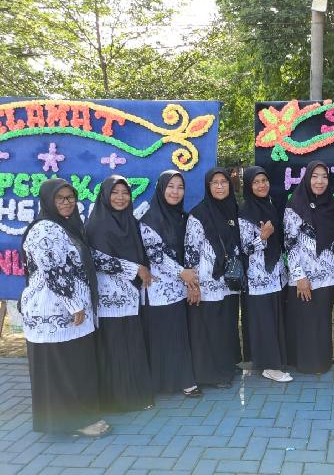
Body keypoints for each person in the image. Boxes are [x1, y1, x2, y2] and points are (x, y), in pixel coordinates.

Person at [20, 178, 110, 436]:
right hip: (54, 311)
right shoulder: (44, 229)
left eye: (70, 197)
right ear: (48, 201)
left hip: (71, 311)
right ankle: (73, 423)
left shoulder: (67, 227)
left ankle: (76, 419)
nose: (67, 202)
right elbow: (53, 271)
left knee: (73, 366)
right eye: (60, 198)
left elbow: (86, 260)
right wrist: (74, 305)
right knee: (64, 368)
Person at [86, 175, 154, 412]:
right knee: (113, 348)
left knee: (130, 346)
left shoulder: (130, 222)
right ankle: (114, 401)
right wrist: (134, 268)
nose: (120, 197)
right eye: (115, 192)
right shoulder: (96, 224)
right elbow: (95, 259)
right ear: (105, 196)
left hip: (130, 297)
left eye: (125, 193)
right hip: (108, 299)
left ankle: (134, 397)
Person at [139, 170, 201, 397]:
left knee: (178, 336)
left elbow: (190, 251)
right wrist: (181, 273)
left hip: (180, 288)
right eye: (170, 186)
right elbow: (156, 255)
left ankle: (183, 380)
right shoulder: (148, 218)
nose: (175, 192)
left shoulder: (183, 218)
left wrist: (190, 282)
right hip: (157, 290)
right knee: (162, 338)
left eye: (180, 187)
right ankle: (161, 384)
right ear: (161, 189)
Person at [185, 168, 241, 389]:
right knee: (210, 329)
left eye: (224, 182)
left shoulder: (233, 210)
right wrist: (193, 285)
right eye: (214, 182)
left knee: (226, 326)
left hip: (229, 281)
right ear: (208, 187)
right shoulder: (198, 214)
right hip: (207, 282)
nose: (220, 186)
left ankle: (226, 367)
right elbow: (190, 252)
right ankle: (211, 375)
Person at [283, 161, 334, 374]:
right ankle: (304, 363)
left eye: (324, 176)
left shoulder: (331, 204)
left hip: (327, 277)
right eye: (315, 176)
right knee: (305, 321)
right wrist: (299, 276)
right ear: (307, 178)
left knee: (322, 320)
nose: (319, 181)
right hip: (304, 277)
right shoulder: (295, 206)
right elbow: (290, 243)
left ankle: (321, 362)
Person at [239, 166, 291, 382]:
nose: (261, 185)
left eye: (264, 180)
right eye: (256, 182)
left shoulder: (270, 206)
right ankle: (269, 366)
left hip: (276, 275)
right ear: (248, 186)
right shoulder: (244, 212)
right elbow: (244, 248)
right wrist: (263, 237)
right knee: (264, 322)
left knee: (275, 319)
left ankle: (276, 361)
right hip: (258, 278)